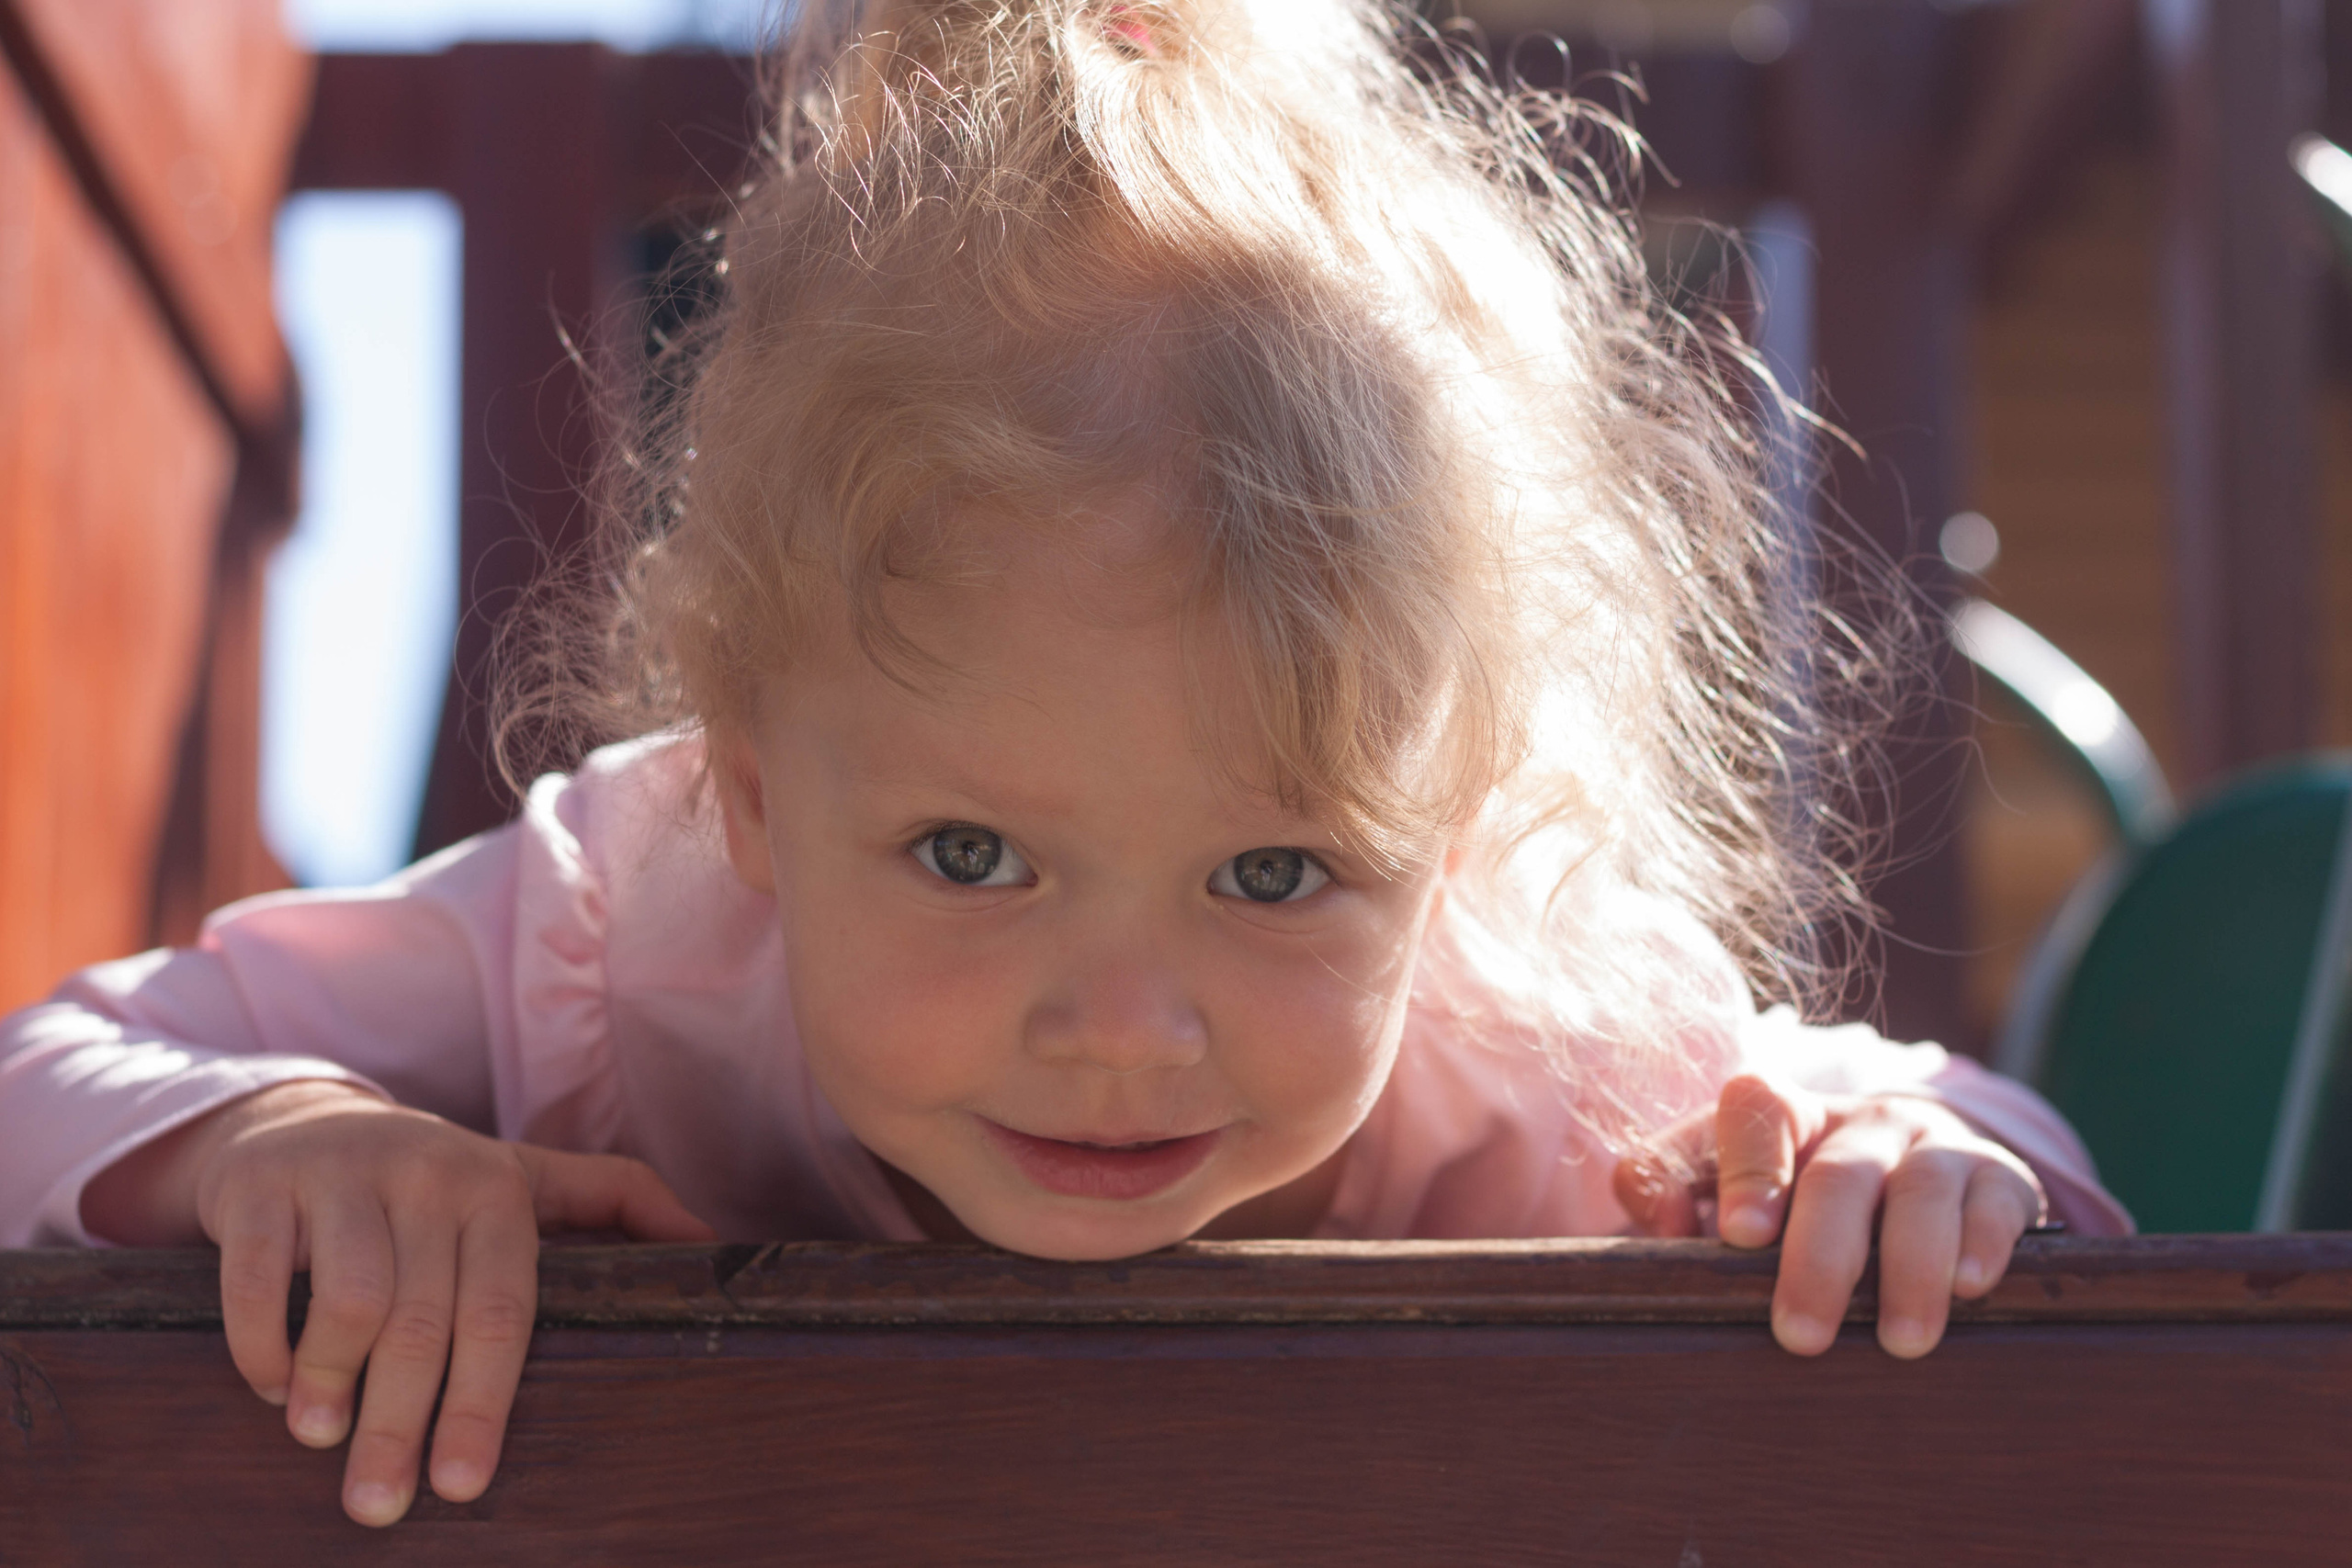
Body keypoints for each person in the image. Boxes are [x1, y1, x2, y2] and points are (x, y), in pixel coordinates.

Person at [0, 0, 2127, 1530]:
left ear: (1454, 825)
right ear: (743, 787)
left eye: (1277, 873)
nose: (1121, 1026)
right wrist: (275, 1133)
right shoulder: (606, 923)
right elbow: (51, 1073)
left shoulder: (1544, 1031)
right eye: (966, 849)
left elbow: (2005, 1164)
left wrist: (1877, 1151)